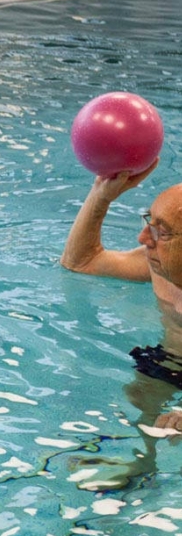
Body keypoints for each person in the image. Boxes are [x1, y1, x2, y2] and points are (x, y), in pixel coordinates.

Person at [61, 160, 182, 438]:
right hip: (168, 361)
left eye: (160, 232)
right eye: (148, 223)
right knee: (133, 409)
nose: (143, 238)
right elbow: (82, 263)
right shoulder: (160, 263)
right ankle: (141, 467)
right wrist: (100, 195)